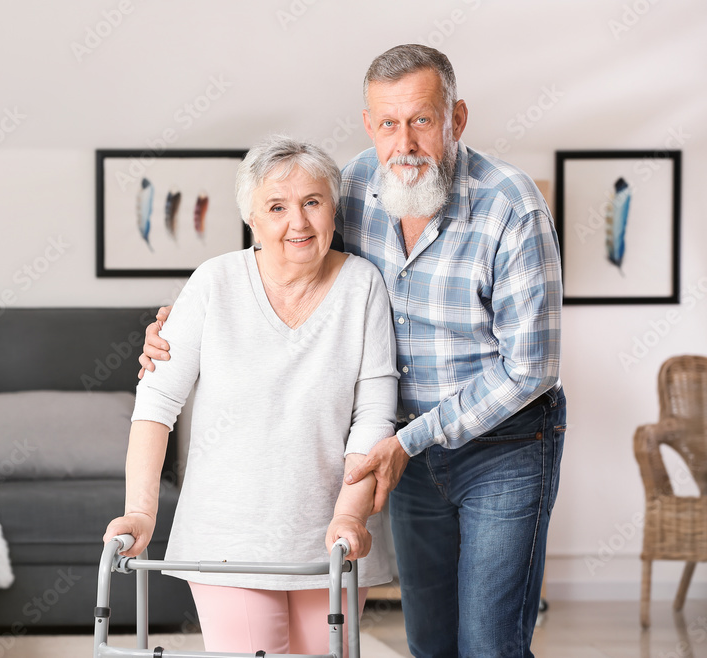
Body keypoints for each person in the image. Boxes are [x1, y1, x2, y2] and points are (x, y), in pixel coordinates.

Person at [139, 45, 566, 658]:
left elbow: (532, 368)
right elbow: (290, 263)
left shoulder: (512, 205)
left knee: (489, 643)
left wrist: (406, 440)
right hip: (403, 450)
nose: (406, 143)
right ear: (369, 124)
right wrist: (179, 323)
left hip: (504, 444)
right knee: (431, 641)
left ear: (457, 118)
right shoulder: (355, 187)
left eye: (422, 120)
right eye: (389, 123)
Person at [104, 135, 399, 655]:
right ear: (253, 219)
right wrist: (140, 512)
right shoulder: (214, 283)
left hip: (333, 534)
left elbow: (374, 415)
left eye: (312, 202)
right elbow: (156, 403)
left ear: (334, 209)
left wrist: (350, 516)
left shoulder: (362, 285)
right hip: (227, 536)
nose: (299, 222)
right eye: (277, 207)